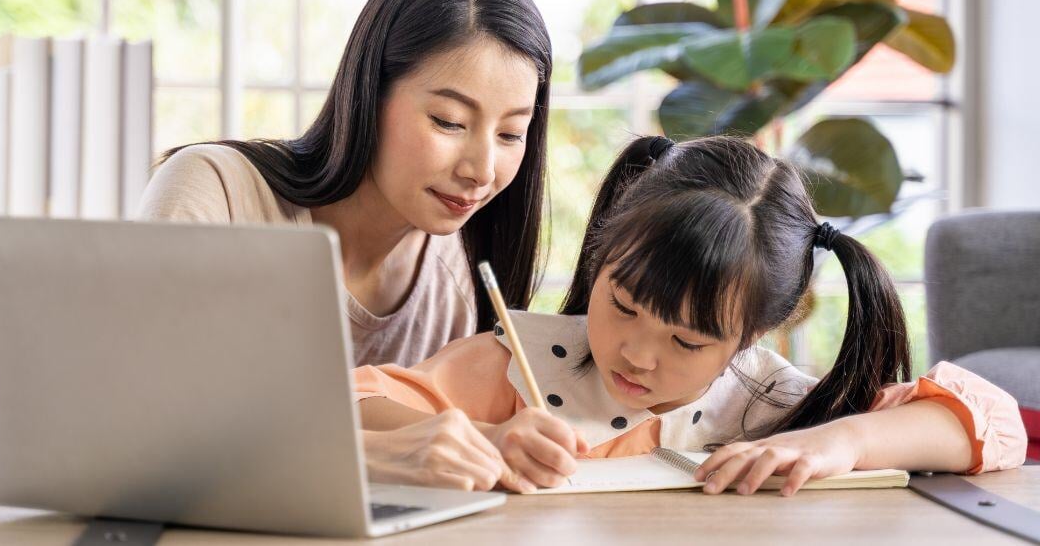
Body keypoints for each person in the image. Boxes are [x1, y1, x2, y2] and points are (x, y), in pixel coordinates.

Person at [354, 135, 1028, 494]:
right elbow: (346, 403)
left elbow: (994, 425)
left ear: (755, 334)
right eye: (621, 304)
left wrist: (836, 444)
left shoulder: (769, 406)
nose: (638, 355)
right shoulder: (518, 363)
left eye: (687, 340)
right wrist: (479, 436)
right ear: (601, 254)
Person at [138, 0, 551, 489]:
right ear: (367, 95)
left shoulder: (454, 283)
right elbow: (147, 418)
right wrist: (368, 456)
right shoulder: (216, 192)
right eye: (449, 122)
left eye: (511, 134)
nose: (482, 171)